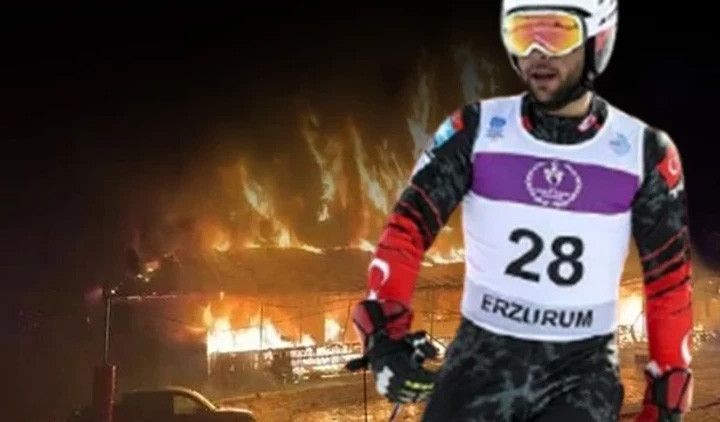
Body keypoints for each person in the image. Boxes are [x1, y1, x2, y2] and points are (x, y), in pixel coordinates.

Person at [348, 0, 694, 421]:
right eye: (523, 33)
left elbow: (668, 283)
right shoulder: (473, 129)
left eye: (557, 33)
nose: (537, 53)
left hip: (580, 374)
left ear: (598, 39)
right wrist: (386, 330)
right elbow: (408, 229)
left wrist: (665, 394)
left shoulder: (644, 151)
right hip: (482, 360)